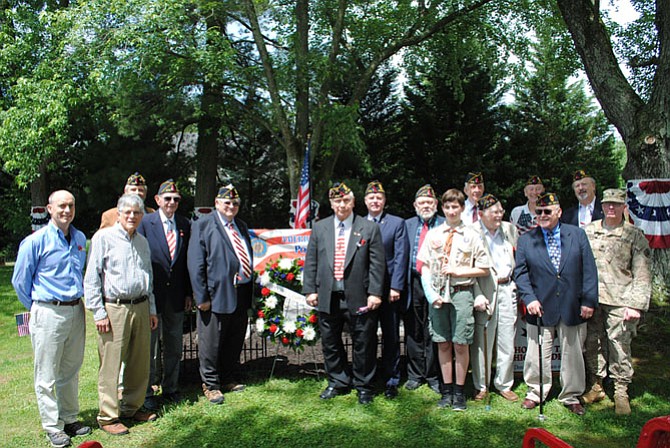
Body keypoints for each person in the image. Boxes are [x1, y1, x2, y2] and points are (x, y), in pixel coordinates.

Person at [12, 190, 91, 448]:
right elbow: (20, 281)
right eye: (61, 206)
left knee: (70, 368)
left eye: (71, 205)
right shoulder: (35, 241)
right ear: (49, 209)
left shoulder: (79, 238)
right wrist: (38, 307)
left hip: (75, 310)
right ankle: (52, 426)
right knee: (46, 373)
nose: (66, 210)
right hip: (48, 311)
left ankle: (69, 418)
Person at [514, 192, 598, 416]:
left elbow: (589, 270)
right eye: (539, 212)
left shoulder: (577, 235)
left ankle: (571, 394)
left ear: (559, 212)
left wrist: (588, 300)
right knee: (536, 353)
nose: (542, 215)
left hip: (572, 305)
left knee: (573, 353)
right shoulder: (526, 240)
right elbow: (520, 274)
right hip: (539, 305)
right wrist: (529, 298)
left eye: (547, 211)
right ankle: (535, 391)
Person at [303, 182, 385, 405]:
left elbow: (378, 265)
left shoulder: (368, 228)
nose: (342, 204)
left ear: (353, 202)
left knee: (364, 342)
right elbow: (311, 260)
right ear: (331, 203)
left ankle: (363, 385)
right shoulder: (320, 228)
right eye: (337, 201)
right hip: (328, 295)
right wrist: (310, 289)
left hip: (360, 296)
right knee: (330, 342)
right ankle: (337, 381)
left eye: (346, 200)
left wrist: (375, 293)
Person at [84, 194, 159, 435]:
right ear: (119, 213)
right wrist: (99, 312)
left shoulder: (142, 242)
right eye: (127, 212)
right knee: (111, 364)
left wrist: (152, 309)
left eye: (136, 213)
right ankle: (108, 416)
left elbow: (148, 278)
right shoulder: (103, 238)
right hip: (113, 308)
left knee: (139, 362)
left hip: (141, 305)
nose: (132, 216)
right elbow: (92, 278)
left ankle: (131, 407)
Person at [417, 188, 490, 411]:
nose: (451, 211)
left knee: (460, 343)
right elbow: (425, 267)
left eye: (455, 207)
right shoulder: (434, 234)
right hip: (439, 295)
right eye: (447, 207)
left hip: (462, 293)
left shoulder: (472, 234)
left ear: (461, 208)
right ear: (443, 208)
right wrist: (432, 295)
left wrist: (459, 271)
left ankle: (459, 392)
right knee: (443, 343)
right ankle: (446, 390)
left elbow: (485, 268)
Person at [583, 188, 651, 415]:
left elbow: (642, 273)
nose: (611, 208)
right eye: (607, 204)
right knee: (593, 343)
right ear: (601, 206)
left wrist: (635, 305)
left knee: (619, 345)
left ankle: (621, 390)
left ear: (624, 207)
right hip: (593, 299)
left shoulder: (634, 235)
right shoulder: (589, 231)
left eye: (616, 204)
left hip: (621, 301)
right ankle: (596, 384)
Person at [188, 184, 253, 405]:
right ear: (217, 203)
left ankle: (227, 377)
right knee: (211, 342)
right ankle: (210, 384)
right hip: (215, 296)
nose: (231, 206)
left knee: (234, 339)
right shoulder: (203, 225)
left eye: (235, 203)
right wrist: (201, 297)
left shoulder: (241, 226)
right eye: (227, 202)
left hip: (241, 292)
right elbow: (195, 263)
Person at [137, 179, 192, 410]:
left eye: (175, 199)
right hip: (152, 296)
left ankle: (171, 388)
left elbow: (189, 261)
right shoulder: (145, 223)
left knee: (174, 346)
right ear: (157, 200)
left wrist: (189, 293)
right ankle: (148, 391)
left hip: (177, 297)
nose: (171, 202)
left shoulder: (185, 224)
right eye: (167, 198)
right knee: (149, 349)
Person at [470, 194, 520, 402]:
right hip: (485, 289)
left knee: (507, 337)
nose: (499, 216)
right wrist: (477, 294)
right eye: (494, 212)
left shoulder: (509, 229)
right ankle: (481, 385)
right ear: (481, 214)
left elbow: (517, 257)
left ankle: (504, 383)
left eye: (501, 211)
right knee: (482, 340)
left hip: (507, 287)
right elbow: (468, 267)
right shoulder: (471, 232)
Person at [363, 180, 409, 399]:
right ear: (365, 201)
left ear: (384, 201)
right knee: (366, 336)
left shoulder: (397, 223)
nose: (375, 201)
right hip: (366, 292)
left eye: (379, 198)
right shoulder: (358, 223)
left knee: (390, 337)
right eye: (371, 198)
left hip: (390, 292)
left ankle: (392, 379)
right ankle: (369, 379)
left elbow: (401, 257)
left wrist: (396, 286)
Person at [404, 184, 444, 393]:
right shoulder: (407, 225)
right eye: (422, 203)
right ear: (415, 205)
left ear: (436, 204)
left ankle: (433, 375)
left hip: (436, 283)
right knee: (413, 329)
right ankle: (414, 374)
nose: (426, 206)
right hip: (413, 282)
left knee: (434, 329)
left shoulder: (445, 225)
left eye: (429, 202)